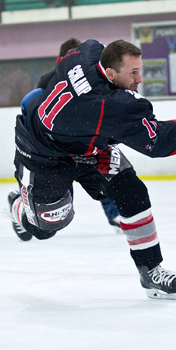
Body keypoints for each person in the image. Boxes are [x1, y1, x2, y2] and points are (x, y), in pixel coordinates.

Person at [8, 39, 176, 300]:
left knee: (132, 190)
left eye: (139, 69)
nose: (140, 78)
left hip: (90, 147)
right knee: (45, 227)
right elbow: (157, 141)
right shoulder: (107, 105)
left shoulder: (89, 53)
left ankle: (151, 271)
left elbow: (51, 76)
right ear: (110, 73)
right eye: (133, 73)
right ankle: (18, 205)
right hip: (45, 154)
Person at [36, 38, 121, 230]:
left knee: (105, 174)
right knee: (49, 197)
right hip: (56, 151)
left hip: (84, 146)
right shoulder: (48, 80)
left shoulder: (89, 78)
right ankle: (21, 204)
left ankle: (115, 213)